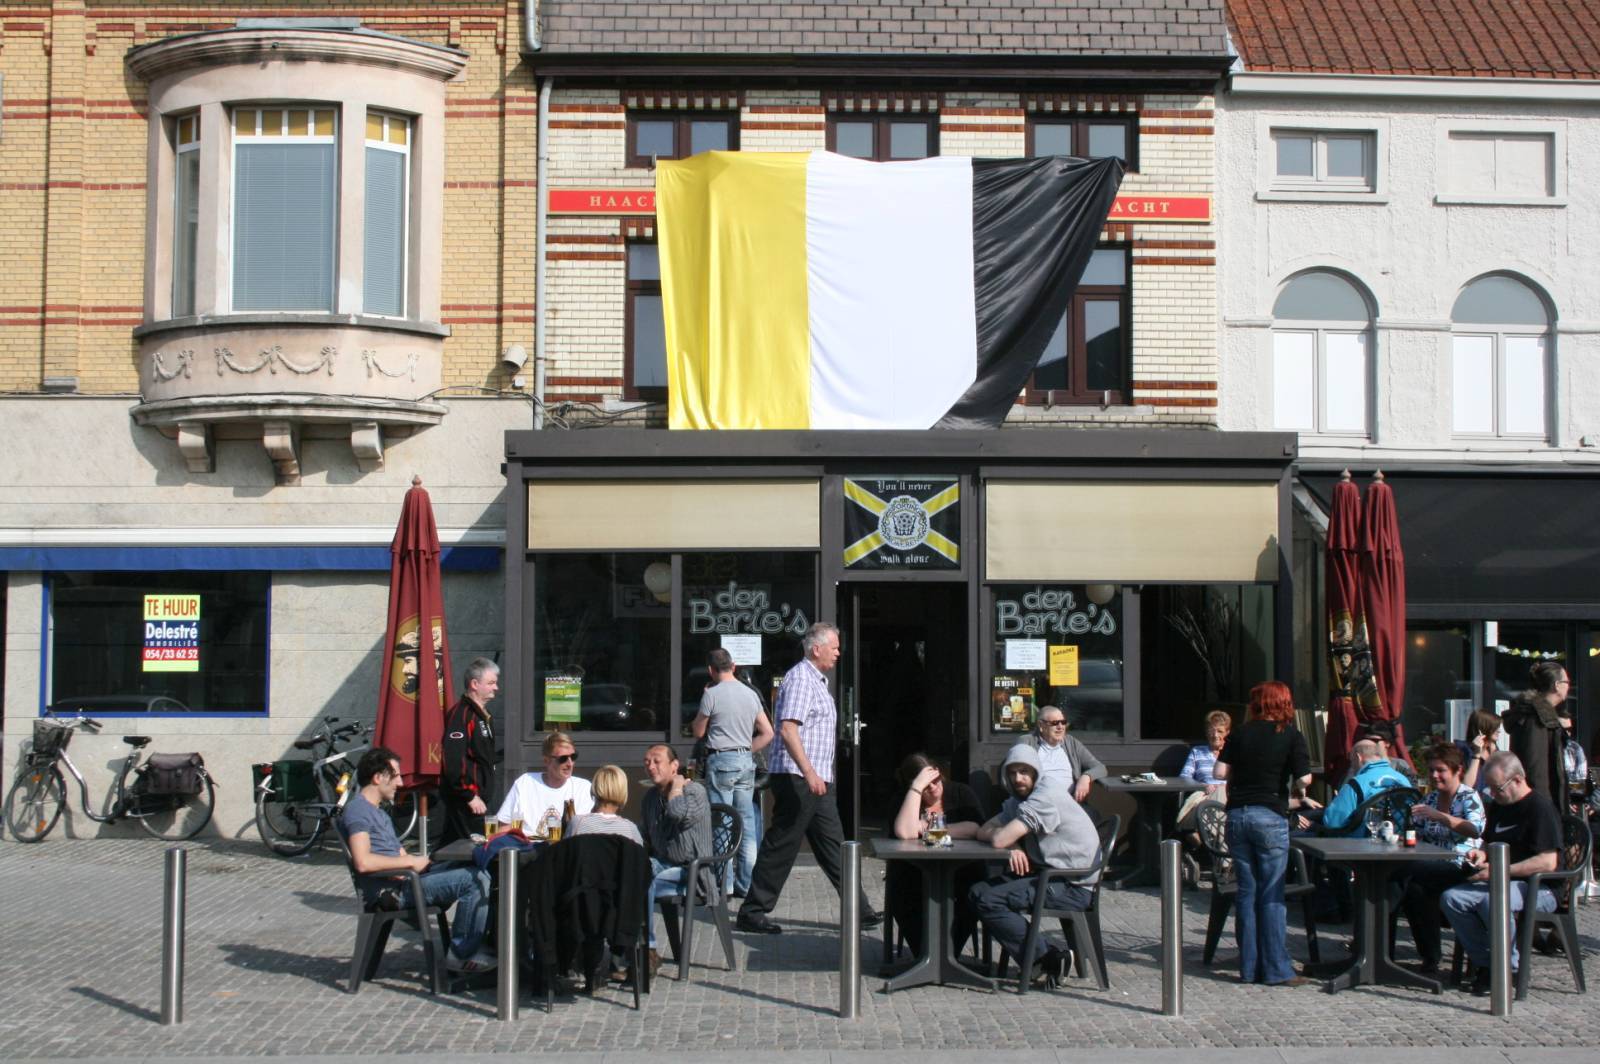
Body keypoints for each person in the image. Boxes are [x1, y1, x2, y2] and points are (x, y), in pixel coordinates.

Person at [738, 622, 881, 935]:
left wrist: (818, 775)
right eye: (835, 647)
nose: (839, 653)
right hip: (799, 778)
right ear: (817, 649)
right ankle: (752, 911)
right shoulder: (801, 679)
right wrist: (810, 772)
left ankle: (860, 910)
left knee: (834, 845)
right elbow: (788, 730)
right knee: (783, 843)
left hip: (816, 779)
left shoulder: (817, 681)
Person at [339, 747, 494, 973]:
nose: (401, 783)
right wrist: (410, 862)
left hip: (407, 879)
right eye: (396, 776)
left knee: (479, 864)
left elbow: (398, 852)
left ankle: (490, 943)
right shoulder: (358, 811)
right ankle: (461, 955)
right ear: (378, 777)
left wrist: (422, 863)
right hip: (391, 892)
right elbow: (363, 862)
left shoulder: (378, 812)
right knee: (475, 879)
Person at [969, 743, 1102, 985]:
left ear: (1036, 772)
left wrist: (1007, 840)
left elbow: (997, 838)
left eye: (1024, 772)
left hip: (1073, 885)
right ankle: (1044, 959)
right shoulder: (1019, 798)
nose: (1018, 778)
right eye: (1012, 773)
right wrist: (1014, 845)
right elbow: (985, 829)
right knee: (978, 891)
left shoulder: (1044, 796)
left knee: (990, 899)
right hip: (1051, 875)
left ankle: (1049, 958)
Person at [1211, 680, 1313, 986]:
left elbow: (1219, 772)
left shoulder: (1241, 733)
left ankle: (1249, 968)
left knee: (1247, 891)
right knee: (1271, 893)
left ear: (1257, 704)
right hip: (1269, 815)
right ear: (1283, 704)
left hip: (1237, 817)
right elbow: (1305, 778)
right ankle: (1276, 970)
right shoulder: (1291, 735)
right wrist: (1299, 787)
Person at [1440, 751, 1563, 993]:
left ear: (1518, 779)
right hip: (1501, 879)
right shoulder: (1499, 805)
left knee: (1494, 901)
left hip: (1540, 886)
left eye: (1498, 788)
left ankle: (1508, 968)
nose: (1493, 794)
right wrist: (1480, 855)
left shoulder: (1540, 809)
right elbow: (1487, 842)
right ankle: (1488, 963)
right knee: (1451, 898)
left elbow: (1548, 862)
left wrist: (1500, 871)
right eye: (1491, 789)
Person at [692, 646, 775, 897]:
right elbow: (768, 733)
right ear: (734, 666)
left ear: (711, 670)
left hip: (721, 760)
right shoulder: (750, 694)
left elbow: (698, 731)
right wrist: (746, 750)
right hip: (744, 762)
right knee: (746, 822)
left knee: (722, 822)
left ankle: (724, 884)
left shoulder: (712, 694)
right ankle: (746, 883)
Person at [1396, 743, 1486, 973]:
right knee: (1413, 889)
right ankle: (1429, 957)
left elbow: (1475, 829)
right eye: (1431, 770)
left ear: (1458, 770)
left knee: (1401, 874)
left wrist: (1441, 817)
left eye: (1441, 770)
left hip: (1461, 864)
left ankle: (1379, 944)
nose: (1434, 775)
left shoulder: (1468, 796)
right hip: (1431, 865)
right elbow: (1417, 832)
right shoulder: (1431, 798)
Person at [888, 754, 985, 958]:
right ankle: (925, 956)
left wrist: (927, 829)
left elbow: (975, 828)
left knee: (974, 893)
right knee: (901, 893)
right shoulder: (904, 799)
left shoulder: (961, 793)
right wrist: (916, 790)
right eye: (926, 785)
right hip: (915, 873)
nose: (933, 788)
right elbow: (905, 831)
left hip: (962, 871)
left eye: (936, 780)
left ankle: (948, 956)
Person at [640, 744, 713, 977]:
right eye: (647, 762)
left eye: (657, 761)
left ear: (674, 766)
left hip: (692, 872)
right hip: (662, 863)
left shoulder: (695, 792)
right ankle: (625, 951)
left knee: (643, 883)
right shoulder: (651, 798)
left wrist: (677, 787)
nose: (651, 766)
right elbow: (645, 836)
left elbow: (677, 813)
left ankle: (648, 951)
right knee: (630, 876)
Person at [438, 657, 500, 847]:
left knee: (451, 846)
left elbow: (482, 755)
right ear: (474, 684)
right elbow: (453, 760)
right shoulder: (462, 715)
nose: (496, 687)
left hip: (479, 797)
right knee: (475, 848)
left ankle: (432, 865)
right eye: (491, 683)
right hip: (468, 800)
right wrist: (469, 796)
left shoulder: (482, 715)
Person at [1503, 661, 1571, 809]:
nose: (1568, 686)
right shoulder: (1536, 718)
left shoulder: (1541, 715)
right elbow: (1535, 769)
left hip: (1540, 803)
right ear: (1557, 685)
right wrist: (1543, 808)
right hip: (1539, 806)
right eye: (1566, 682)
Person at [496, 731, 594, 834]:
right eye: (563, 759)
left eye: (573, 757)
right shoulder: (525, 783)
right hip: (528, 843)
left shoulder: (583, 788)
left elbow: (590, 830)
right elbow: (503, 826)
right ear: (546, 761)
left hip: (568, 843)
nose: (570, 764)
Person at [1321, 738, 1413, 835]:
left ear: (1358, 757)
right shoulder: (1403, 780)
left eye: (1351, 761)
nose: (1352, 766)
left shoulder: (1356, 783)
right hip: (1400, 839)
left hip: (1362, 842)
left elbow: (1332, 822)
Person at [1023, 704, 1106, 802]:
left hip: (1070, 803)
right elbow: (1012, 772)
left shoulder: (1071, 743)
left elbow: (1100, 768)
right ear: (1041, 725)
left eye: (1063, 722)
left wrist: (1086, 777)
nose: (1060, 727)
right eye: (1055, 723)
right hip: (1037, 803)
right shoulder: (1027, 742)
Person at [1176, 709, 1231, 831]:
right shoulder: (1197, 752)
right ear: (1206, 733)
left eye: (1220, 731)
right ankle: (1216, 840)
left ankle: (1209, 836)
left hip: (1228, 799)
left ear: (1227, 732)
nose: (1215, 735)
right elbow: (1183, 778)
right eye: (1211, 731)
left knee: (1221, 791)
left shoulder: (1233, 752)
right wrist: (1203, 786)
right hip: (1203, 798)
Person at [568, 764, 643, 845]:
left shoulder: (578, 823)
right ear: (623, 791)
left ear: (595, 788)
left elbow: (564, 850)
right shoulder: (631, 829)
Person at [1352, 718, 1419, 786]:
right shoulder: (1358, 764)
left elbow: (1412, 788)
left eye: (1374, 740)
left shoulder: (1400, 766)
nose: (1369, 744)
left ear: (1387, 743)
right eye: (1366, 740)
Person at [1460, 708, 1503, 798]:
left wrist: (1494, 756)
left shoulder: (1494, 750)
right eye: (1495, 727)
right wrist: (1476, 755)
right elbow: (1466, 787)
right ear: (1483, 728)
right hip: (1472, 802)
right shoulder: (1463, 751)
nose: (1499, 730)